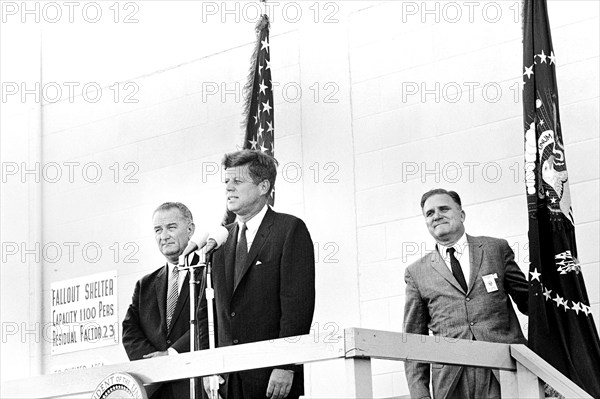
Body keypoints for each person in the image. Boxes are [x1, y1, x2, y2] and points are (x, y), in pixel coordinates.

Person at [198, 150, 315, 399]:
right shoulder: (219, 240)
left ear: (264, 186)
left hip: (271, 379)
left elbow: (297, 305)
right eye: (226, 182)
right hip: (225, 380)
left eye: (237, 182)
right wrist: (207, 368)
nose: (228, 188)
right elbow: (205, 313)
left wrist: (286, 364)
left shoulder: (289, 229)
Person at [403, 188, 529, 399]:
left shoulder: (495, 249)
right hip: (451, 380)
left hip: (504, 369)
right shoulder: (416, 273)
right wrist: (420, 394)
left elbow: (530, 304)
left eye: (444, 208)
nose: (437, 216)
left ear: (461, 215)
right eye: (430, 213)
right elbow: (414, 338)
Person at [123, 202, 201, 399]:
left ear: (190, 229)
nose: (164, 236)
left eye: (171, 227)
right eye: (158, 230)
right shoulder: (145, 284)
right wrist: (156, 364)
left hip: (195, 385)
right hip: (157, 390)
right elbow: (130, 332)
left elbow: (209, 320)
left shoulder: (208, 272)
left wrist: (172, 354)